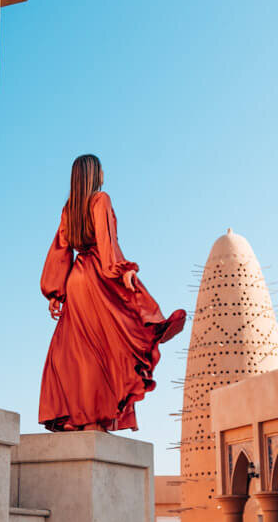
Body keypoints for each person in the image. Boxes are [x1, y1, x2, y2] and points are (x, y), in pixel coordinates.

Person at [39, 154, 186, 431]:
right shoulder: (100, 200)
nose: (105, 172)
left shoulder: (69, 208)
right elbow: (107, 245)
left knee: (78, 353)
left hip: (75, 281)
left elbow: (60, 248)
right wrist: (123, 269)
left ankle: (79, 418)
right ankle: (96, 418)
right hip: (97, 278)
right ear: (94, 173)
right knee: (107, 349)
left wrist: (56, 292)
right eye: (101, 168)